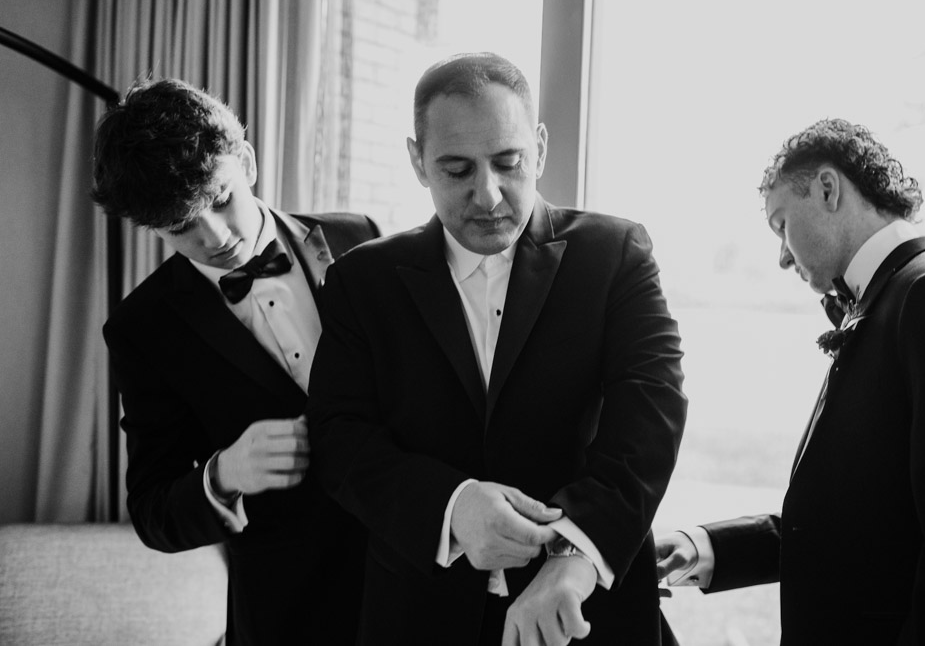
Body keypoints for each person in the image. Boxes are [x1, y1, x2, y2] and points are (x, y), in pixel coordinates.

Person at [306, 52, 687, 646]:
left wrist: (575, 553)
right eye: (457, 169)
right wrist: (451, 507)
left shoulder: (615, 254)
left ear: (540, 148)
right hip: (418, 610)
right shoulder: (361, 280)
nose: (487, 195)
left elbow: (651, 416)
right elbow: (339, 436)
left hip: (587, 609)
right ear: (417, 160)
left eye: (508, 163)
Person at [656, 119, 925, 645]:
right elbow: (861, 523)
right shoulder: (892, 301)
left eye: (781, 224)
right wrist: (705, 546)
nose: (783, 256)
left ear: (828, 189)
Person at [92, 78, 380, 645]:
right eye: (182, 227)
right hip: (286, 612)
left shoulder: (360, 237)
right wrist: (224, 474)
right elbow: (152, 511)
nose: (216, 236)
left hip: (410, 577)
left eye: (221, 200)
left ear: (245, 161)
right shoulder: (142, 329)